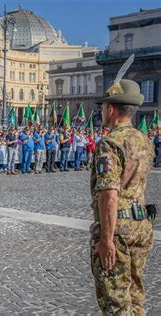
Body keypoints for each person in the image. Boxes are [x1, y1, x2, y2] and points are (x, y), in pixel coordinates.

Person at [90, 77, 154, 314]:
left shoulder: (110, 143)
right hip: (141, 225)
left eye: (104, 106)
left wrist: (106, 240)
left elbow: (109, 194)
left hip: (118, 229)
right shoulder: (145, 141)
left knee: (115, 300)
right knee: (135, 295)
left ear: (111, 109)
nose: (103, 111)